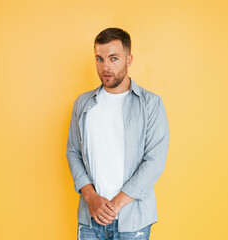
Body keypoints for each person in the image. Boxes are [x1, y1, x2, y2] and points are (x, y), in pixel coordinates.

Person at [66, 27, 170, 240]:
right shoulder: (83, 104)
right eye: (100, 59)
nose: (105, 67)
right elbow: (73, 152)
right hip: (90, 219)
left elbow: (155, 160)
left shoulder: (151, 104)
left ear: (129, 60)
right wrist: (91, 197)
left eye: (114, 58)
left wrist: (116, 204)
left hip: (133, 221)